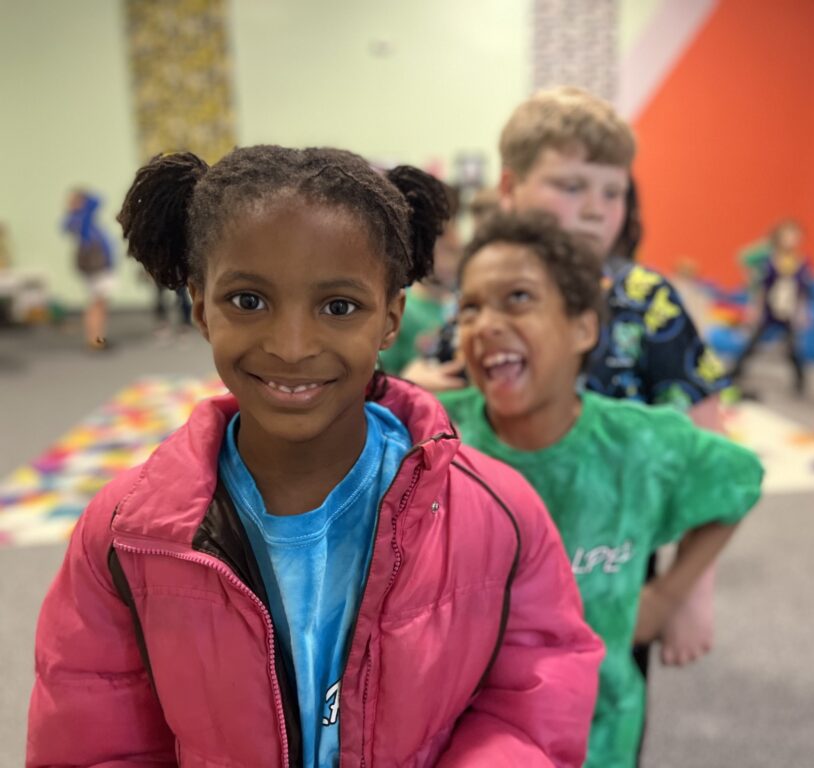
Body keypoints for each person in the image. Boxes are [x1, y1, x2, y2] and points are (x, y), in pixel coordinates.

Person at [28, 147, 603, 768]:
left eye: (338, 307)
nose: (292, 346)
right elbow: (93, 738)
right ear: (199, 306)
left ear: (391, 318)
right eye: (248, 301)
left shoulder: (497, 512)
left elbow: (533, 701)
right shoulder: (124, 536)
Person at [439, 212, 763, 767]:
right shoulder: (434, 438)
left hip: (598, 735)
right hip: (462, 739)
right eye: (470, 307)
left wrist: (668, 596)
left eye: (517, 298)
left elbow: (741, 480)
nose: (486, 323)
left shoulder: (639, 445)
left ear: (584, 329)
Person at [496, 87, 730, 677]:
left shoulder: (646, 302)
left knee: (605, 715)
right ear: (509, 189)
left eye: (613, 191)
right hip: (499, 561)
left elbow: (710, 453)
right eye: (571, 186)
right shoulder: (485, 295)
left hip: (616, 562)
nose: (597, 209)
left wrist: (688, 593)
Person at [378, 182, 460, 374]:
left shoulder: (459, 303)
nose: (450, 260)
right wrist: (410, 382)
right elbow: (379, 379)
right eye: (443, 248)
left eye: (454, 252)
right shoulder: (403, 307)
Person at [728, 219, 812, 395]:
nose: (791, 240)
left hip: (789, 310)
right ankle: (734, 372)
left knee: (792, 348)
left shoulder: (801, 262)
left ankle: (800, 382)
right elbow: (760, 286)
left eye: (795, 236)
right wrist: (755, 308)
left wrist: (803, 311)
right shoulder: (770, 260)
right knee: (752, 342)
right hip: (769, 309)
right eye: (787, 235)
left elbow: (804, 290)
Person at [62, 189, 115, 350]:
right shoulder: (80, 219)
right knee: (97, 305)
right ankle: (95, 339)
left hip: (99, 267)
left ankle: (98, 338)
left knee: (99, 305)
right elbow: (98, 199)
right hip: (96, 268)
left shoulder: (81, 220)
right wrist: (81, 201)